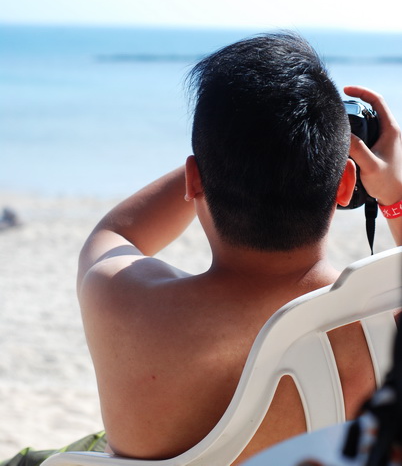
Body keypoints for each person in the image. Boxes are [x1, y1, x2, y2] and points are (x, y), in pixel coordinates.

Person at [3, 32, 401, 466]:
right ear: (345, 184)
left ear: (194, 180)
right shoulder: (386, 318)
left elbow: (117, 233)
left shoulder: (118, 300)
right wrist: (395, 196)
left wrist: (228, 149)